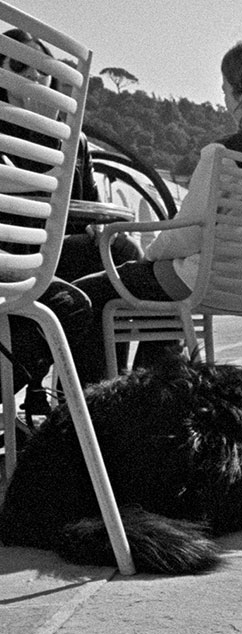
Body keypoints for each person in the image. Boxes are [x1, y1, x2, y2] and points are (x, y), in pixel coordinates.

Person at [67, 36, 242, 386]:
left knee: (82, 296)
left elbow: (187, 234)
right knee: (158, 295)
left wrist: (149, 256)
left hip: (205, 282)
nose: (224, 98)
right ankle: (160, 397)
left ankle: (89, 405)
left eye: (226, 89)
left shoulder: (224, 153)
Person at [0, 29, 142, 407]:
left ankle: (93, 404)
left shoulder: (72, 140)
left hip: (55, 254)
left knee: (118, 251)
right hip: (12, 257)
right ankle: (90, 408)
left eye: (42, 69)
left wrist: (99, 228)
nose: (34, 76)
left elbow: (90, 209)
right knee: (115, 262)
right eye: (20, 66)